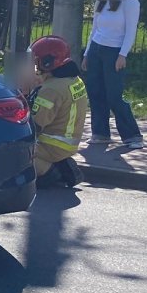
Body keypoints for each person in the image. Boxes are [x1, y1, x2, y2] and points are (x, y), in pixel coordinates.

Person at [82, 0, 143, 149]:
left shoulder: (130, 1)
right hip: (96, 50)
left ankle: (133, 136)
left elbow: (131, 31)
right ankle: (100, 133)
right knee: (95, 92)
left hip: (115, 52)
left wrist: (122, 55)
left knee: (114, 96)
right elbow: (94, 29)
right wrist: (86, 55)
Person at [26, 35, 88, 188]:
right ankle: (61, 163)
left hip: (52, 144)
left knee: (16, 155)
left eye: (36, 61)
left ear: (47, 63)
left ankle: (50, 171)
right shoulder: (73, 80)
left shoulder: (51, 90)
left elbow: (35, 125)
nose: (34, 65)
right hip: (67, 142)